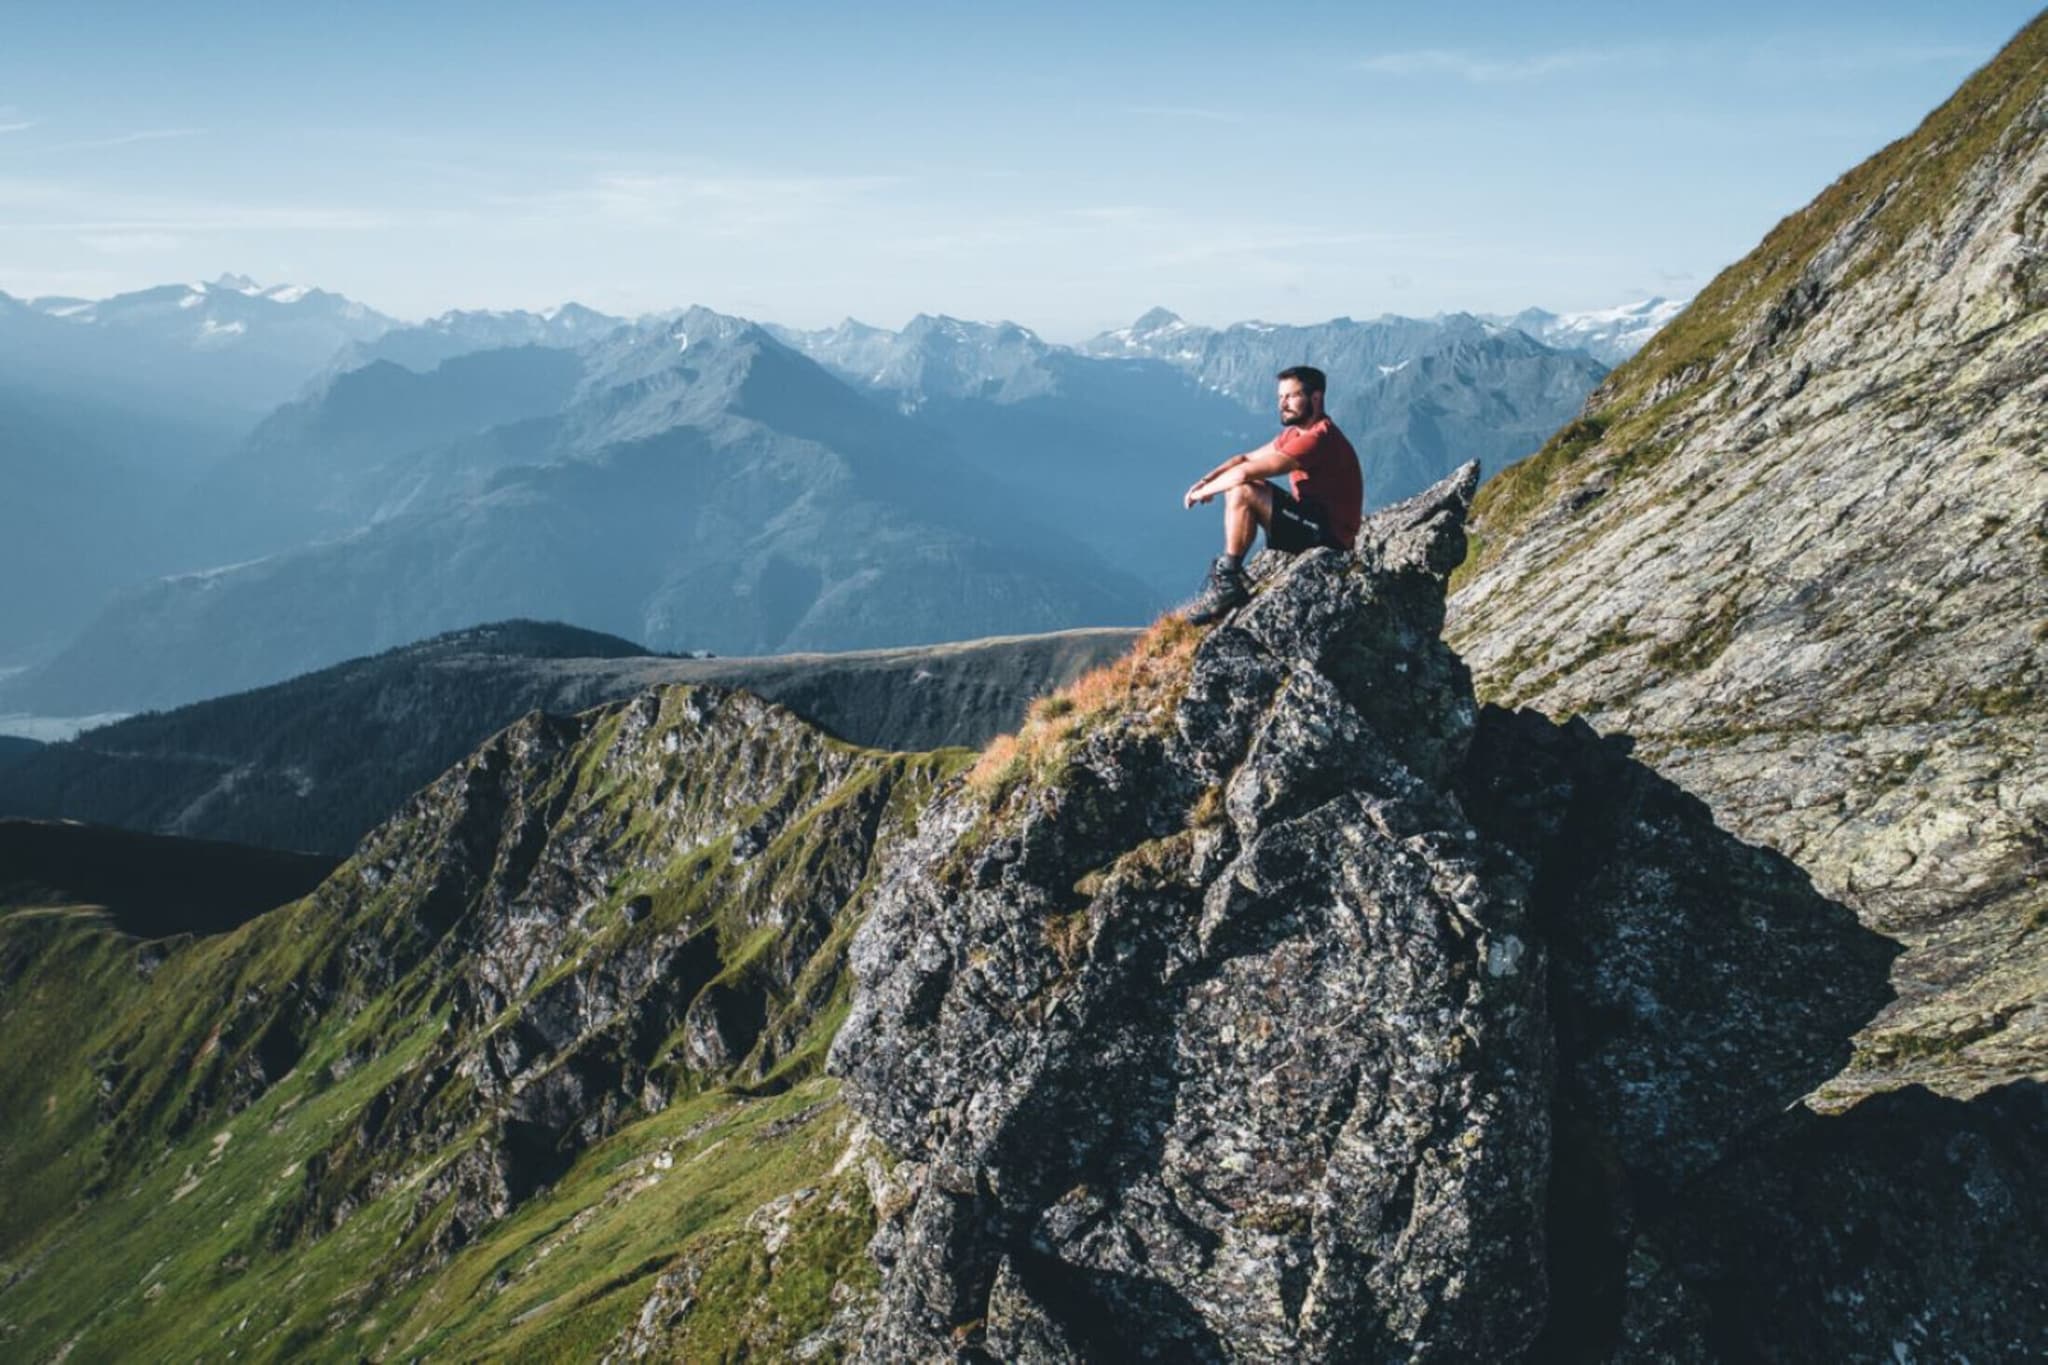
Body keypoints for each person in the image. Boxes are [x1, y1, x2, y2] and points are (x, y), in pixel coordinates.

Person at [1180, 365, 1363, 624]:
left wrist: (1202, 493)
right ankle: (1229, 578)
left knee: (1243, 490)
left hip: (1330, 538)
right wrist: (1206, 480)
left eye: (1291, 396)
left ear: (1316, 397)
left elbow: (1244, 474)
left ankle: (1229, 578)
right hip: (1311, 521)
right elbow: (1243, 459)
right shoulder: (1294, 433)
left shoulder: (1318, 439)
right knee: (1241, 487)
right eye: (1280, 397)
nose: (1283, 404)